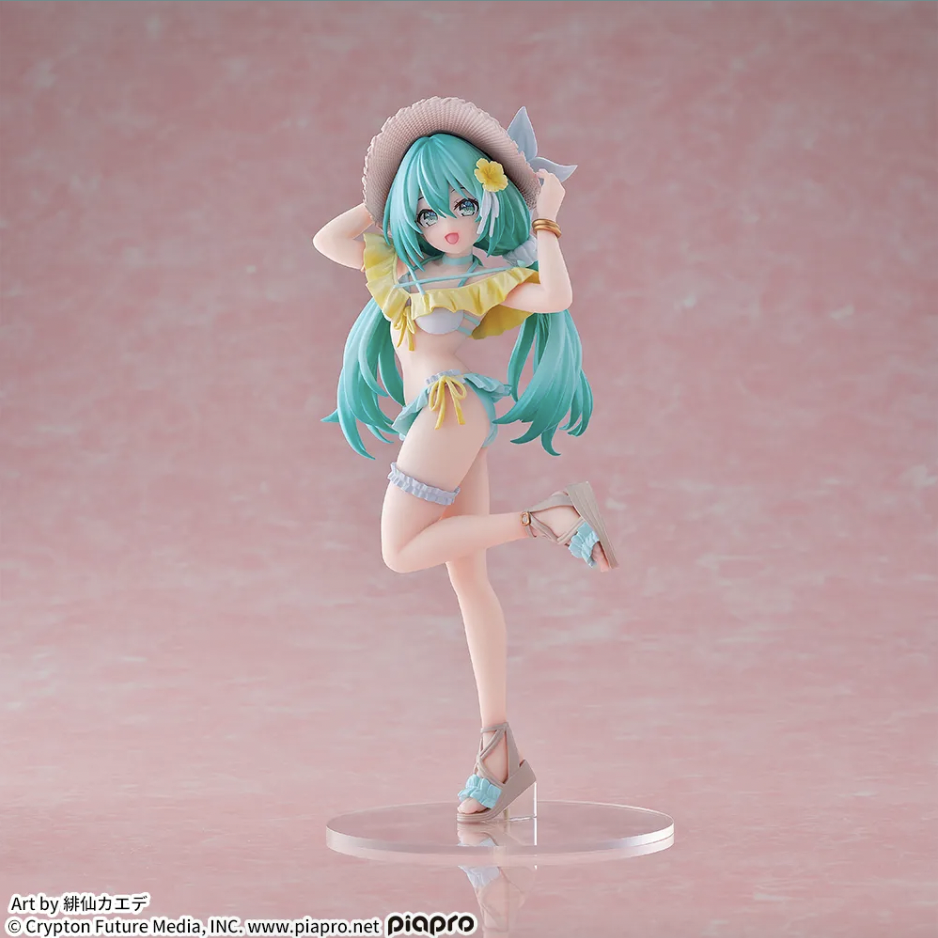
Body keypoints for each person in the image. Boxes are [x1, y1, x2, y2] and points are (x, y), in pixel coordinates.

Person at [313, 98, 619, 823]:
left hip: (449, 409)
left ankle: (546, 518)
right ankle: (498, 753)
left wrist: (545, 216)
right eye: (429, 212)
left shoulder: (484, 275)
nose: (448, 223)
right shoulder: (400, 269)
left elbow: (556, 292)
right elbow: (329, 238)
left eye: (463, 203)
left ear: (486, 203)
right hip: (449, 415)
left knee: (399, 551)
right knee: (469, 582)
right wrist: (391, 197)